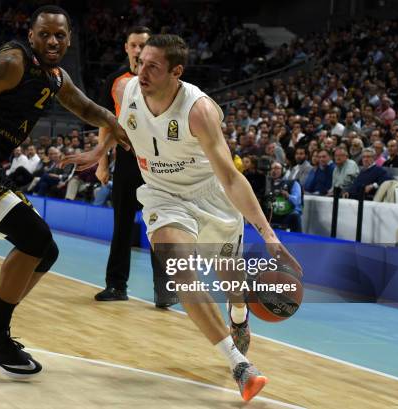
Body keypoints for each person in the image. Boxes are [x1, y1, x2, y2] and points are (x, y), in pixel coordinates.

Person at [64, 34, 301, 402]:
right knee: (180, 267)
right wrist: (99, 151)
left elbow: (231, 177)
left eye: (152, 66)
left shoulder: (199, 110)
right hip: (162, 193)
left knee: (231, 283)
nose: (142, 71)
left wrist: (269, 236)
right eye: (141, 62)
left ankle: (239, 313)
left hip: (212, 196)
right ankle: (239, 364)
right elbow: (119, 123)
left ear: (176, 72)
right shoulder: (126, 88)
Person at [0, 6, 129, 379]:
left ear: (69, 39)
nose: (53, 41)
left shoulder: (54, 77)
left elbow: (84, 106)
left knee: (45, 251)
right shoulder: (12, 62)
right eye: (45, 34)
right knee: (35, 238)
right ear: (32, 35)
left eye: (60, 35)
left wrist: (115, 125)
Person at [94, 26, 171, 306]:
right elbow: (106, 123)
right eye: (134, 45)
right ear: (126, 47)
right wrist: (102, 162)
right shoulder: (116, 81)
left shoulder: (163, 80)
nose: (139, 50)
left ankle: (165, 292)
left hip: (158, 161)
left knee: (160, 227)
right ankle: (116, 286)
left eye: (144, 45)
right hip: (126, 159)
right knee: (122, 225)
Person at [266, 162, 303, 232]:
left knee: (295, 216)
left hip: (288, 215)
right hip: (272, 214)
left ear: (283, 170)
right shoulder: (267, 184)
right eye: (272, 168)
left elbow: (297, 202)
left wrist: (288, 196)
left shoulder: (293, 183)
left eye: (276, 168)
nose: (274, 170)